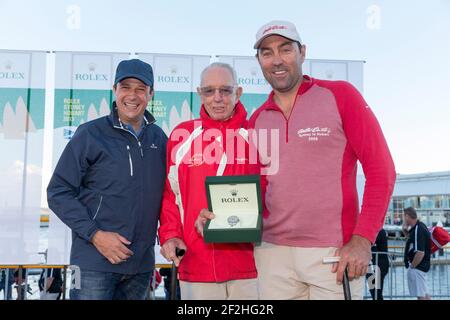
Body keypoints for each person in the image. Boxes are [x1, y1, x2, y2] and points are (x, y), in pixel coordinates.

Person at [249, 20, 396, 300]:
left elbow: (382, 171)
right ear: (259, 61)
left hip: (332, 255)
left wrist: (363, 239)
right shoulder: (257, 119)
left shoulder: (340, 95)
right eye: (267, 53)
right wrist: (223, 219)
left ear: (302, 52)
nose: (277, 60)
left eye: (285, 49)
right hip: (271, 256)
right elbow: (258, 188)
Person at [47, 59, 167, 300]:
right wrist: (96, 235)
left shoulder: (159, 138)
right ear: (115, 90)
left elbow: (170, 194)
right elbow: (58, 192)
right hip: (93, 263)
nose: (132, 95)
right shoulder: (90, 134)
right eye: (125, 87)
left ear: (151, 94)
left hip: (140, 266)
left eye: (140, 89)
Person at [158, 63, 258, 300]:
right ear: (199, 94)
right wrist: (170, 235)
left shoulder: (256, 134)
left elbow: (271, 194)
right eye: (209, 91)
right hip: (196, 263)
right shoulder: (182, 136)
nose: (217, 98)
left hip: (250, 266)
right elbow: (169, 195)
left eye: (225, 90)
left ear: (239, 93)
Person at [403, 207, 431, 300]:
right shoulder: (419, 226)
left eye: (404, 216)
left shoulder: (418, 229)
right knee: (424, 294)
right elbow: (412, 242)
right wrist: (405, 231)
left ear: (407, 216)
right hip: (421, 266)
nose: (403, 219)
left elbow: (420, 252)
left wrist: (412, 266)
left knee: (421, 296)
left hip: (418, 267)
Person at [365, 228, 389, 300]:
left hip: (376, 267)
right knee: (375, 292)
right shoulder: (380, 231)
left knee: (375, 293)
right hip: (376, 266)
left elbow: (369, 243)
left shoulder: (378, 231)